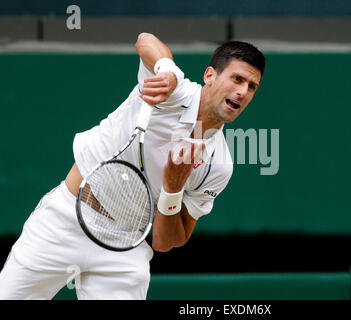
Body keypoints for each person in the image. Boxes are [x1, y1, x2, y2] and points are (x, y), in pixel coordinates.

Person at [0, 33, 265, 300]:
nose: (243, 92)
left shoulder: (218, 165)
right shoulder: (172, 91)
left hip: (125, 246)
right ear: (210, 76)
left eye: (252, 86)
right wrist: (168, 71)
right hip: (64, 219)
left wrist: (173, 189)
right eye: (237, 79)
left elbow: (164, 242)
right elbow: (145, 40)